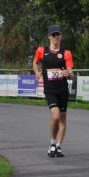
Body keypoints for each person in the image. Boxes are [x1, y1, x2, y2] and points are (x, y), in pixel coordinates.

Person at [33, 25, 74, 158]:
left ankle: (58, 146)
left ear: (61, 36)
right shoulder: (41, 50)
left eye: (58, 35)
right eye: (53, 35)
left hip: (62, 89)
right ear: (49, 37)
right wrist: (37, 72)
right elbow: (35, 62)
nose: (56, 37)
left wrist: (67, 73)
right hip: (50, 89)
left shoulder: (66, 53)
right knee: (55, 116)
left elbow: (71, 73)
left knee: (62, 119)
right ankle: (52, 143)